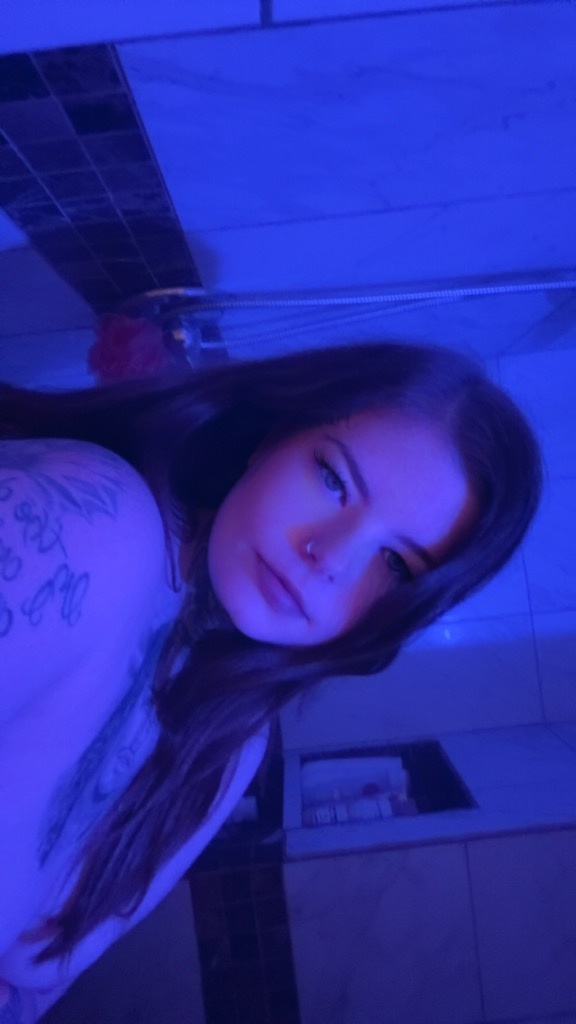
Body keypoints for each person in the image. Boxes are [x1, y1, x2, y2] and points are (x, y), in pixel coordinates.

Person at [0, 339, 542, 1022]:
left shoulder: (230, 747)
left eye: (396, 566)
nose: (329, 558)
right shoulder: (91, 531)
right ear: (272, 436)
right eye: (333, 478)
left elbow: (34, 987)